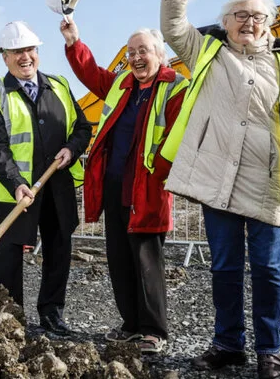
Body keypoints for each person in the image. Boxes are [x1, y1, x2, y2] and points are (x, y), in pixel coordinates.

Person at [158, 0, 280, 378]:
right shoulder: (206, 54)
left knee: (269, 270)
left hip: (269, 183)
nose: (250, 22)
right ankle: (227, 344)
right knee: (224, 267)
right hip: (216, 180)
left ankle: (270, 350)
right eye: (240, 15)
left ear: (270, 23)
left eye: (258, 16)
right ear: (225, 23)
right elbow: (172, 25)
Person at [61, 19, 186, 353]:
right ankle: (131, 325)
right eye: (131, 52)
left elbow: (177, 138)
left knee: (147, 263)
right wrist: (74, 42)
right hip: (116, 186)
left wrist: (161, 173)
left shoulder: (175, 86)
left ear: (160, 53)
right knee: (118, 260)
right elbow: (92, 74)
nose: (135, 57)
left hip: (148, 190)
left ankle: (154, 331)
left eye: (142, 50)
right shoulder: (122, 85)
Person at [0, 21, 90, 336]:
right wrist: (15, 183)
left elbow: (83, 127)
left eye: (30, 49)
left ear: (37, 52)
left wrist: (72, 148)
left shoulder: (59, 85)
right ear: (5, 57)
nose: (25, 57)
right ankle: (9, 315)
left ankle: (52, 312)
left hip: (57, 187)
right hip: (19, 190)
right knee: (10, 254)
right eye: (17, 52)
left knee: (58, 249)